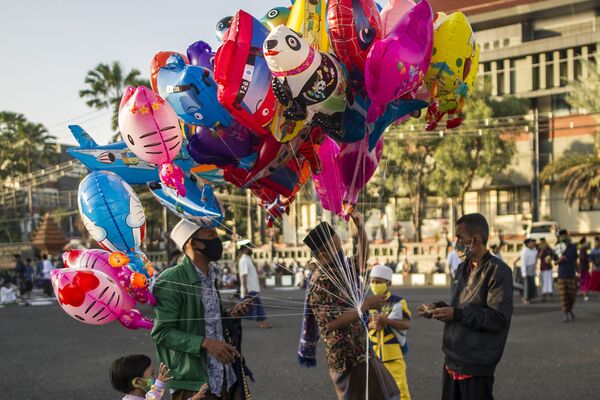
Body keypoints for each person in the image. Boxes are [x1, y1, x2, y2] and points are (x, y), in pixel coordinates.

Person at [302, 211, 400, 399]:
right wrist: (365, 305)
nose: (342, 251)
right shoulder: (319, 282)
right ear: (322, 255)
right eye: (337, 248)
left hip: (360, 349)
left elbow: (362, 257)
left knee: (383, 393)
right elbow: (330, 324)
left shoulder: (338, 269)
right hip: (346, 358)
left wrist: (361, 227)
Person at [151, 219, 252, 400]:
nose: (217, 241)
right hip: (194, 383)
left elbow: (211, 321)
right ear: (192, 242)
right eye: (211, 235)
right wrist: (205, 343)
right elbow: (162, 333)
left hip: (224, 375)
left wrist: (231, 316)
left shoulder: (210, 276)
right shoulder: (171, 279)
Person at [418, 213, 513, 400]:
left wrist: (458, 314)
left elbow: (497, 319)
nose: (456, 242)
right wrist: (436, 308)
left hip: (476, 363)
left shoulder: (498, 271)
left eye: (460, 237)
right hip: (452, 358)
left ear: (476, 239)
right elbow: (459, 306)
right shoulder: (463, 267)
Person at [368, 264, 411, 400]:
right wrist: (372, 325)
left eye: (379, 282)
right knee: (374, 393)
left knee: (401, 392)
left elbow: (406, 324)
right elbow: (360, 325)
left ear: (389, 283)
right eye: (372, 281)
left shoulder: (398, 302)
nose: (375, 284)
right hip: (372, 356)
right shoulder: (366, 303)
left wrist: (387, 321)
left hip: (393, 355)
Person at [110, 354, 208, 400]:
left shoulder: (144, 396)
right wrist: (159, 384)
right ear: (138, 382)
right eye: (152, 374)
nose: (156, 378)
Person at [238, 244, 272, 329]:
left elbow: (253, 275)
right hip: (250, 288)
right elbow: (244, 275)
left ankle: (231, 322)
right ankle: (263, 322)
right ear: (245, 249)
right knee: (256, 306)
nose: (251, 249)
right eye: (249, 248)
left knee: (242, 308)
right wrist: (245, 288)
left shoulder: (248, 259)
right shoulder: (243, 260)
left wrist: (261, 283)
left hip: (252, 287)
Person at [553, 229, 578, 322]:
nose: (563, 237)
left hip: (571, 274)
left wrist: (578, 271)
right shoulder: (557, 247)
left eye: (564, 235)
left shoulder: (573, 247)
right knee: (563, 296)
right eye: (561, 236)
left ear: (567, 236)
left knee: (572, 295)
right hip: (562, 275)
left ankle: (569, 310)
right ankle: (566, 314)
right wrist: (560, 259)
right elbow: (555, 262)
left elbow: (575, 260)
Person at [520, 238, 538, 304]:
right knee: (526, 285)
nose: (533, 244)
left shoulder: (534, 250)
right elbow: (523, 263)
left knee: (531, 285)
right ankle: (525, 298)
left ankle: (530, 297)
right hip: (527, 269)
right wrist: (524, 273)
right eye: (532, 243)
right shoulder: (524, 251)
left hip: (532, 268)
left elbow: (535, 256)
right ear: (527, 244)